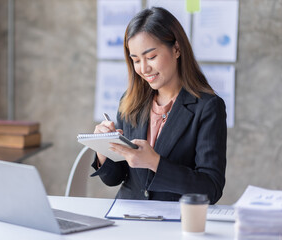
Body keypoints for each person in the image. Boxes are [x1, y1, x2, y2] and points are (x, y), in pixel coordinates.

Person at [91, 7, 227, 204]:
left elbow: (211, 189)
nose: (144, 68)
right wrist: (103, 150)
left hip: (176, 222)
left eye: (151, 57)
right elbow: (115, 178)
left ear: (177, 49)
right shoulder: (129, 102)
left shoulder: (208, 107)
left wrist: (156, 163)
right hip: (129, 218)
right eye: (136, 60)